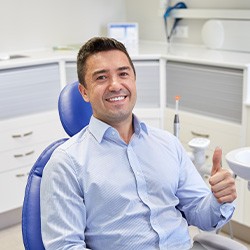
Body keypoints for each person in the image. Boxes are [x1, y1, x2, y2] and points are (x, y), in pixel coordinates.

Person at [40, 37, 237, 250]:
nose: (115, 85)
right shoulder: (67, 163)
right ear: (84, 92)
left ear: (134, 80)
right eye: (101, 77)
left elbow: (202, 214)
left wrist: (218, 199)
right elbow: (65, 246)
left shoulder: (167, 144)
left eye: (123, 74)